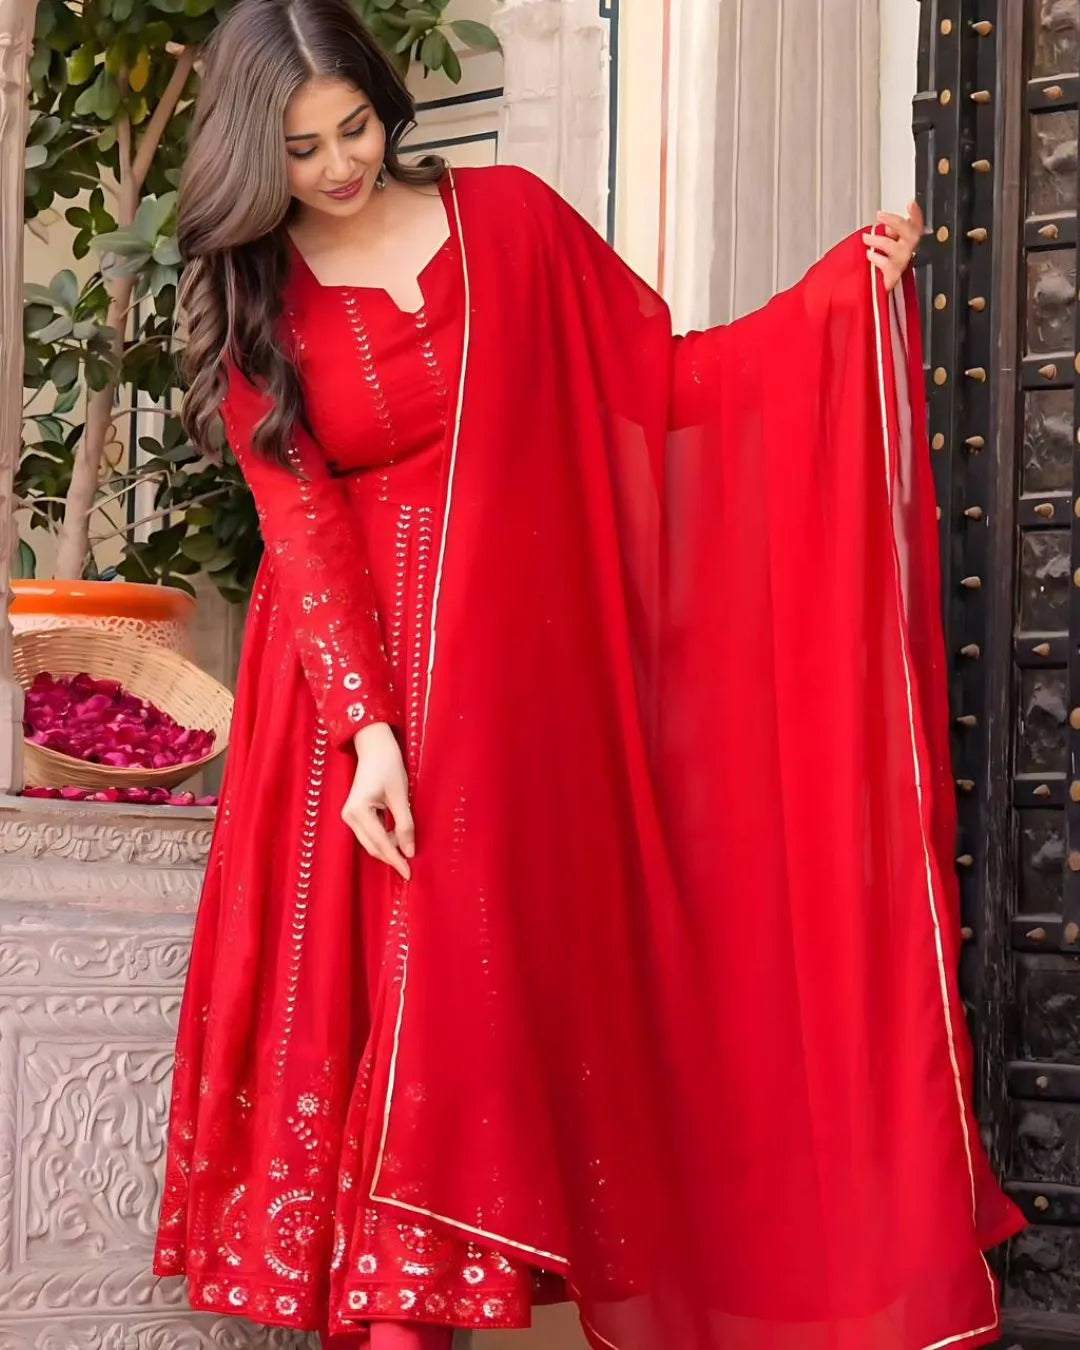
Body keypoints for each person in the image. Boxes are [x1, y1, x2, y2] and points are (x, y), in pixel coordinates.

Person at [153, 1, 1025, 1346]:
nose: (337, 167)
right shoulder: (256, 291)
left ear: (384, 105)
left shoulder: (509, 222)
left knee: (477, 1004)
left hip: (518, 699)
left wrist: (828, 304)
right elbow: (299, 517)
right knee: (391, 1004)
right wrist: (367, 729)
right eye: (300, 148)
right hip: (353, 698)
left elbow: (657, 383)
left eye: (355, 129)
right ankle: (388, 1325)